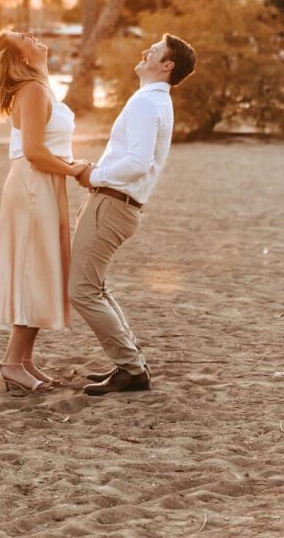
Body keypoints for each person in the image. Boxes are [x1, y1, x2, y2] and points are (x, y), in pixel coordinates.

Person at [69, 33, 196, 396]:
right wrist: (96, 173)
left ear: (167, 65)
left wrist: (95, 175)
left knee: (81, 291)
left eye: (154, 51)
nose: (146, 52)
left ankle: (131, 368)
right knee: (96, 287)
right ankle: (131, 361)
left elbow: (138, 163)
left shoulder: (147, 103)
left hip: (112, 204)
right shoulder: (156, 102)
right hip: (117, 204)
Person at [0, 29, 89, 393]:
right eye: (24, 36)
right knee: (34, 270)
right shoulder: (32, 90)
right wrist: (74, 170)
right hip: (32, 184)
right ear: (21, 58)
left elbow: (49, 146)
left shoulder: (40, 88)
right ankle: (11, 364)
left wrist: (71, 167)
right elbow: (33, 150)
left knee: (41, 268)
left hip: (44, 183)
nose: (34, 35)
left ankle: (25, 361)